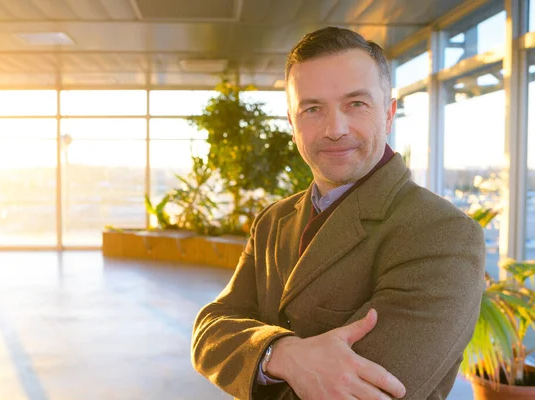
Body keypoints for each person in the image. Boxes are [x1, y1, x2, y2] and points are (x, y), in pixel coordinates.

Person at [191, 26, 485, 400]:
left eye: (356, 104)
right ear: (292, 124)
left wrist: (252, 357)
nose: (335, 129)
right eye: (312, 109)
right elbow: (210, 329)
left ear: (389, 113)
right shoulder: (272, 221)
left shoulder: (442, 234)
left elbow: (370, 393)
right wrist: (282, 353)